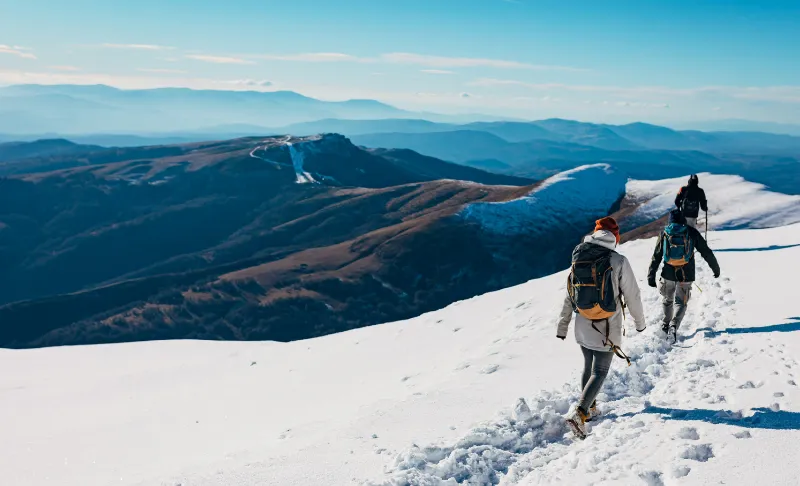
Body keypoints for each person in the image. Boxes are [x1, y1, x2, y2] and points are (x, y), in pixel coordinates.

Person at [557, 217, 646, 439]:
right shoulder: (618, 261)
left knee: (589, 365)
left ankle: (591, 408)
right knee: (601, 371)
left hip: (583, 320)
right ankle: (580, 413)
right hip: (607, 325)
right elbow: (632, 295)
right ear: (615, 236)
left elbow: (571, 291)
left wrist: (563, 324)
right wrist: (640, 323)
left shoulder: (579, 254)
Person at [648, 209, 720, 341]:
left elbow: (656, 256)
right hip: (686, 274)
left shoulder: (664, 232)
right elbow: (705, 251)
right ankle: (674, 326)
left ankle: (665, 324)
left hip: (668, 273)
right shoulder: (691, 232)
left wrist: (651, 275)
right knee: (681, 302)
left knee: (667, 300)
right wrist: (715, 268)